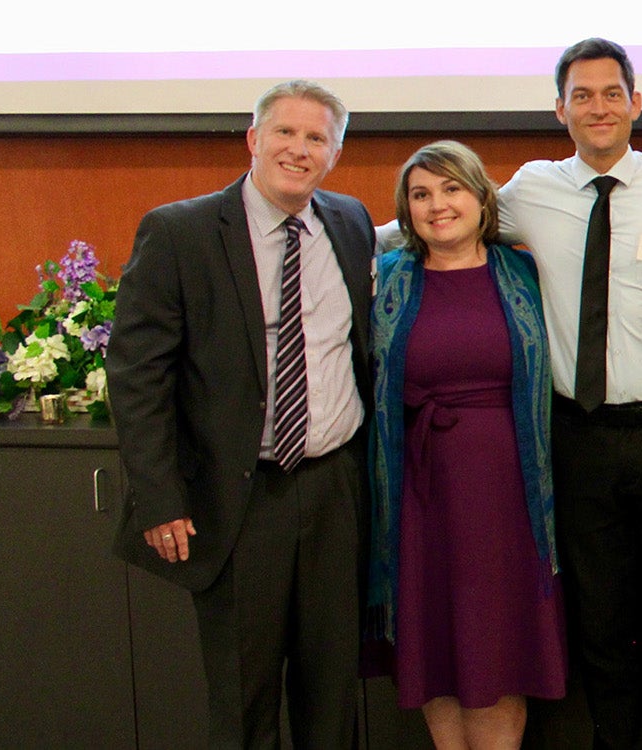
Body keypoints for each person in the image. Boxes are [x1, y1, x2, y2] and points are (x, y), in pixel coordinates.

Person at [107, 79, 373, 749]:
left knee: (333, 694)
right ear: (254, 139)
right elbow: (138, 376)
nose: (298, 148)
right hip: (236, 498)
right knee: (242, 699)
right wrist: (158, 497)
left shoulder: (349, 223)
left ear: (334, 154)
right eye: (285, 132)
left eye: (317, 138)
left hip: (335, 491)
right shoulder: (180, 231)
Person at [495, 38, 642, 748]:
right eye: (583, 95)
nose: (599, 107)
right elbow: (441, 225)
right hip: (580, 436)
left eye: (611, 93)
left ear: (636, 103)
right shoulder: (529, 189)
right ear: (560, 108)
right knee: (601, 623)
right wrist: (349, 233)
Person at [366, 140, 567, 748]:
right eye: (421, 194)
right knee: (434, 647)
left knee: (498, 647)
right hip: (417, 493)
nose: (437, 205)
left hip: (507, 490)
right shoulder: (387, 278)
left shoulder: (523, 272)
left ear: (483, 198)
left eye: (452, 189)